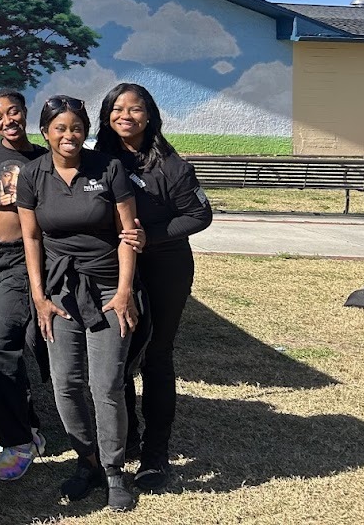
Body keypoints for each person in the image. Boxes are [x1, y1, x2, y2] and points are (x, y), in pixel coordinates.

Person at [16, 95, 142, 512]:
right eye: (60, 128)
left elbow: (128, 233)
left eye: (76, 128)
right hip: (60, 293)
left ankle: (113, 470)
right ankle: (86, 461)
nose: (69, 136)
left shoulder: (108, 169)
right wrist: (40, 299)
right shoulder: (32, 175)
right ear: (46, 132)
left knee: (105, 386)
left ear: (85, 131)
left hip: (108, 291)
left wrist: (125, 291)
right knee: (64, 384)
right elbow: (32, 238)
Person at [96, 82, 212, 491]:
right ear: (106, 114)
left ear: (150, 116)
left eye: (135, 108)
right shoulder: (97, 159)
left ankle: (155, 453)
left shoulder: (170, 165)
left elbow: (200, 214)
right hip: (114, 269)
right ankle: (126, 438)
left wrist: (152, 235)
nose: (125, 115)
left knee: (156, 356)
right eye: (117, 108)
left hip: (165, 267)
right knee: (119, 352)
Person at [0, 89, 50, 480]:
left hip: (23, 260)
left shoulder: (43, 157)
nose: (8, 120)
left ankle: (17, 444)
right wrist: (14, 190)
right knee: (0, 349)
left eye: (14, 111)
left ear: (24, 112)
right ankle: (31, 430)